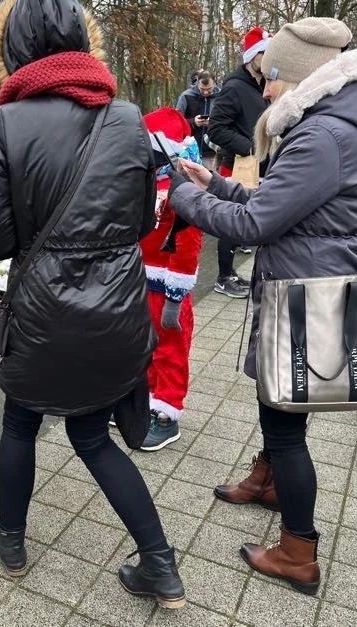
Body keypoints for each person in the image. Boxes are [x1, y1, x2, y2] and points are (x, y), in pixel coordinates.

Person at [167, 18, 357, 595]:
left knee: (284, 425)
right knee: (281, 411)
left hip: (308, 293)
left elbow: (257, 222)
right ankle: (267, 483)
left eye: (272, 79)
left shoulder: (322, 136)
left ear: (301, 77)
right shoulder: (333, 124)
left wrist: (186, 197)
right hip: (311, 282)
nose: (264, 91)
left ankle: (298, 550)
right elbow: (281, 202)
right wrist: (214, 184)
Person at [0, 0, 185, 609]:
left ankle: (10, 542)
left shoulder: (7, 123)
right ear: (81, 43)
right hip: (116, 308)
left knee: (20, 422)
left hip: (42, 312)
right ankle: (160, 566)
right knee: (93, 438)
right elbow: (146, 214)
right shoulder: (126, 117)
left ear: (10, 49)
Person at [137, 107, 202, 451]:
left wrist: (176, 295)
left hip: (169, 287)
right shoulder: (146, 179)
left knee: (171, 348)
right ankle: (148, 400)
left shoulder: (183, 186)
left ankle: (167, 413)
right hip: (143, 281)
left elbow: (188, 243)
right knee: (147, 346)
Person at [207, 26, 272, 299]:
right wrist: (250, 146)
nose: (269, 58)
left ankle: (232, 273)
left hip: (259, 166)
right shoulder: (234, 87)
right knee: (232, 223)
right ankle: (223, 276)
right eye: (264, 53)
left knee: (247, 221)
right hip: (237, 165)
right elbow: (216, 129)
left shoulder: (262, 85)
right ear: (252, 56)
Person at [176, 70, 220, 169]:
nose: (205, 92)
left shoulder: (222, 97)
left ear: (214, 82)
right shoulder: (186, 96)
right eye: (202, 89)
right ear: (197, 82)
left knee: (210, 183)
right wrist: (193, 122)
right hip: (189, 152)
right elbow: (176, 122)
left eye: (209, 89)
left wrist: (213, 122)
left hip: (212, 153)